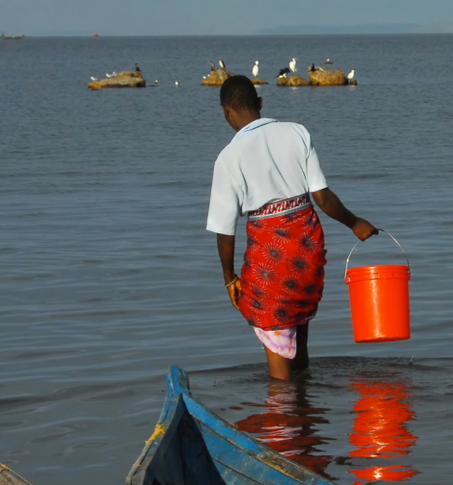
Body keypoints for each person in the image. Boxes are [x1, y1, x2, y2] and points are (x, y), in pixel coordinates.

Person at [206, 75, 377, 380]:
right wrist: (356, 223)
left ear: (226, 112)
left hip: (272, 261)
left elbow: (225, 230)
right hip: (308, 251)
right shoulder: (296, 132)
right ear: (260, 103)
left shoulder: (228, 158)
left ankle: (283, 418)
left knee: (277, 347)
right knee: (297, 336)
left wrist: (229, 277)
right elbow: (322, 197)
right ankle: (306, 411)